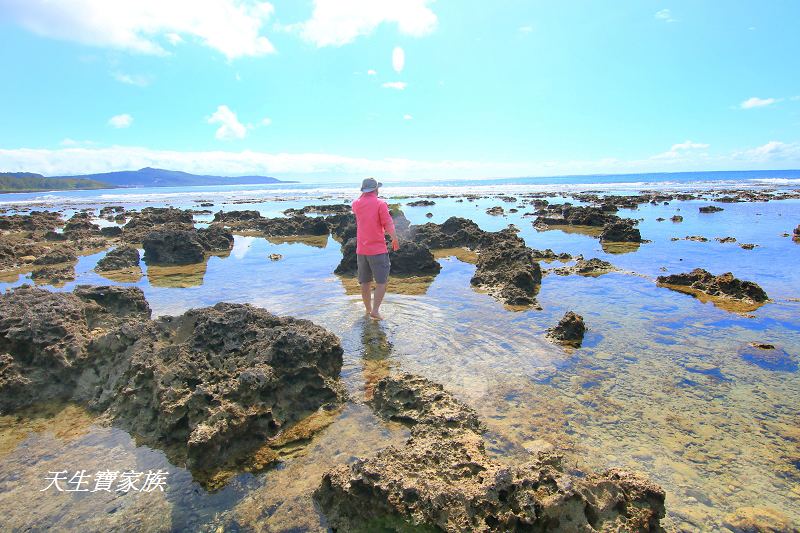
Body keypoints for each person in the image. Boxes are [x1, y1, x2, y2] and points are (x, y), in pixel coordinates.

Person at [352, 177, 399, 320]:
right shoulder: (380, 204)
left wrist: (364, 195)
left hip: (361, 250)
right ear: (376, 189)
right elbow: (388, 224)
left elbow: (360, 202)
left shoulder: (356, 204)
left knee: (365, 282)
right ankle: (376, 310)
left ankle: (368, 310)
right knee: (381, 281)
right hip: (377, 250)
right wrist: (394, 238)